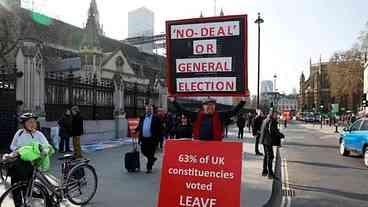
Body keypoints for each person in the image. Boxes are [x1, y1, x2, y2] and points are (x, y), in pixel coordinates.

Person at [9, 113, 50, 207]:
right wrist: (19, 151)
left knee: (27, 188)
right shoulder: (19, 133)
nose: (33, 124)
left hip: (31, 165)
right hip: (18, 165)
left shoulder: (39, 134)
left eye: (34, 122)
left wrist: (44, 151)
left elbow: (46, 145)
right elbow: (12, 146)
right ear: (24, 124)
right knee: (16, 189)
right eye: (29, 122)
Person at [170, 97, 246, 141]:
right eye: (207, 105)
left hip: (215, 147)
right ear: (203, 106)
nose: (210, 107)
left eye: (212, 105)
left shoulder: (220, 115)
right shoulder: (196, 115)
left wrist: (242, 101)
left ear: (215, 106)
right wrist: (173, 101)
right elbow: (183, 110)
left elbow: (234, 111)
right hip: (199, 146)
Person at [136, 103, 162, 173]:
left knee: (151, 153)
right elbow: (140, 126)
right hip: (144, 138)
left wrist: (159, 140)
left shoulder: (156, 118)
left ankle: (149, 168)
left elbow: (160, 129)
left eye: (150, 109)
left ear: (153, 110)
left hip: (152, 139)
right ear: (145, 110)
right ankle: (152, 159)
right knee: (143, 151)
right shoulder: (142, 117)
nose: (148, 110)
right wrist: (136, 130)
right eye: (147, 109)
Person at [260, 110, 284, 179]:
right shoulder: (272, 121)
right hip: (268, 141)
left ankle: (264, 171)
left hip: (264, 140)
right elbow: (272, 130)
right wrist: (280, 135)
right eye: (275, 114)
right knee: (270, 156)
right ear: (272, 114)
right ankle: (270, 174)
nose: (276, 116)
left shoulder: (266, 119)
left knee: (266, 156)